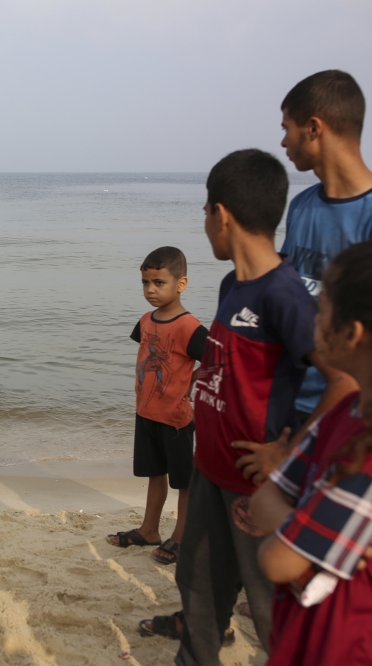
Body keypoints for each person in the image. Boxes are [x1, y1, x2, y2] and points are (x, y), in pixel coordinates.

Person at [161, 148, 326, 665]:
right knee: (199, 588)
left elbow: (344, 378)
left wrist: (289, 450)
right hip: (209, 471)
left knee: (271, 608)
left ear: (222, 214)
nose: (205, 225)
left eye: (205, 214)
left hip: (254, 486)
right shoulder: (234, 284)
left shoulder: (286, 293)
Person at [233, 69, 367, 487]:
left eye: (286, 128)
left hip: (346, 409)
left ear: (314, 128)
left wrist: (296, 450)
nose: (283, 141)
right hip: (290, 401)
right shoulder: (303, 205)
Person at [251, 241, 372, 665]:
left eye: (321, 306)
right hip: (303, 631)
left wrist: (293, 536)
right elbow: (264, 498)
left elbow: (277, 560)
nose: (313, 316)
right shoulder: (344, 410)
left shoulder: (367, 455)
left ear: (351, 333)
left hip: (343, 644)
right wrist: (321, 541)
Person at [107, 247, 207, 566]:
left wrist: (189, 386)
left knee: (183, 481)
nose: (150, 289)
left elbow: (219, 359)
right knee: (154, 474)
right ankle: (149, 530)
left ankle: (180, 536)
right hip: (147, 413)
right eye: (145, 282)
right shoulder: (146, 319)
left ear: (181, 283)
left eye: (159, 282)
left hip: (176, 418)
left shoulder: (189, 326)